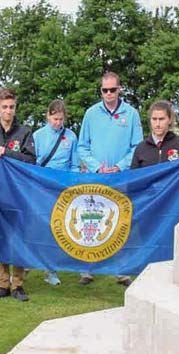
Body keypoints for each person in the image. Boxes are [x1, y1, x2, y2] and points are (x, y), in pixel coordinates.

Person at [77, 71, 143, 286]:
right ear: (101, 90)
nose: (108, 94)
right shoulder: (90, 114)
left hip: (120, 178)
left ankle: (121, 270)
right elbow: (82, 147)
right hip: (95, 179)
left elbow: (137, 147)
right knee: (90, 221)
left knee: (120, 222)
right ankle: (87, 269)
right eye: (104, 90)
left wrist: (119, 166)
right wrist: (97, 168)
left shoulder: (131, 114)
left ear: (119, 89)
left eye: (112, 89)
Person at [0, 87, 36, 301]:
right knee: (1, 237)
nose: (8, 111)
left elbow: (31, 160)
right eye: (4, 107)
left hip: (19, 193)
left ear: (16, 107)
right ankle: (3, 283)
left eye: (11, 107)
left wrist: (9, 153)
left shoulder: (25, 133)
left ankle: (18, 284)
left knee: (19, 237)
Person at [33, 99, 79, 287]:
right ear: (48, 116)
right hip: (43, 188)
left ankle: (51, 269)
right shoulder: (38, 136)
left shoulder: (71, 137)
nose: (58, 123)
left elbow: (75, 165)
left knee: (60, 228)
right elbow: (33, 163)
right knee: (42, 227)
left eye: (61, 119)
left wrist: (72, 184)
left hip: (63, 189)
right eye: (54, 118)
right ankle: (33, 263)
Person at [131, 100, 179, 169]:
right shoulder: (141, 148)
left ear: (170, 120)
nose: (157, 124)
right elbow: (134, 176)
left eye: (161, 119)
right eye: (154, 119)